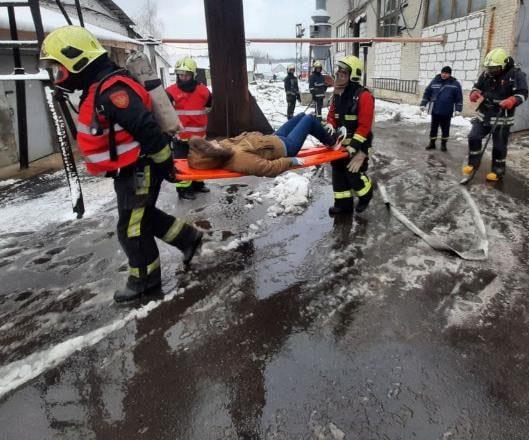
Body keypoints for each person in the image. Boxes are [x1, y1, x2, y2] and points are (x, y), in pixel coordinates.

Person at [39, 26, 203, 303]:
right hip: (129, 170)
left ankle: (144, 281)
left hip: (140, 169)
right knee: (143, 216)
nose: (58, 76)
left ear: (76, 61)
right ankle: (187, 238)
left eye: (59, 68)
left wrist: (165, 166)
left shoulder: (113, 91)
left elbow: (147, 129)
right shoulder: (100, 85)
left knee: (131, 229)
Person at [187, 112, 339, 177]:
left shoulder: (224, 146)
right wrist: (290, 161)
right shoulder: (239, 159)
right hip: (287, 147)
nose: (213, 140)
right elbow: (269, 168)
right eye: (210, 144)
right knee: (309, 120)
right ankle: (332, 142)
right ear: (213, 152)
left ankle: (325, 133)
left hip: (274, 140)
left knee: (300, 116)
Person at [463, 47, 528, 181]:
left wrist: (512, 100)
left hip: (502, 117)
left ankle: (498, 171)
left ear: (503, 65)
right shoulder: (487, 73)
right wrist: (474, 93)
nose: (490, 71)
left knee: (499, 146)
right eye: (488, 68)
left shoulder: (516, 75)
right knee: (473, 137)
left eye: (493, 69)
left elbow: (522, 93)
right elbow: (477, 86)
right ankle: (473, 163)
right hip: (484, 114)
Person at [325, 55, 374, 215]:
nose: (338, 74)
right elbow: (332, 115)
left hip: (359, 145)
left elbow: (364, 127)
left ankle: (366, 195)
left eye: (343, 72)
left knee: (353, 174)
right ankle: (343, 204)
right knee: (338, 173)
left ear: (353, 75)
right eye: (338, 70)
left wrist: (357, 150)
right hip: (340, 146)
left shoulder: (364, 96)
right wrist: (331, 125)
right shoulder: (338, 93)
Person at [166, 56, 212, 200]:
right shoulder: (170, 92)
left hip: (199, 137)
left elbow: (209, 107)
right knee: (182, 164)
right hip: (180, 137)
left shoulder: (204, 91)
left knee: (199, 161)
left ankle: (198, 184)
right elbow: (165, 113)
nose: (183, 77)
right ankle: (183, 189)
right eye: (180, 74)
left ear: (193, 74)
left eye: (186, 74)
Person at [420, 65, 463, 151]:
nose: (444, 74)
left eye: (446, 73)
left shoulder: (455, 84)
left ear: (450, 74)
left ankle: (444, 145)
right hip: (435, 110)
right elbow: (427, 93)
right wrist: (423, 104)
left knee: (445, 128)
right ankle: (432, 143)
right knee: (433, 128)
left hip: (447, 111)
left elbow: (459, 97)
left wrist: (458, 109)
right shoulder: (434, 81)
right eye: (443, 72)